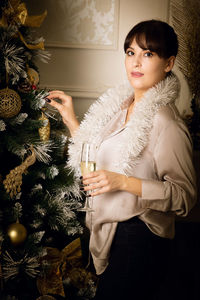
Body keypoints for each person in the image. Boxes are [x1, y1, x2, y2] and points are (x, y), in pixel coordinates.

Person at [45, 20, 196, 299]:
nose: (136, 62)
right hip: (109, 233)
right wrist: (71, 120)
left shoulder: (167, 123)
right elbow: (98, 164)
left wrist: (125, 182)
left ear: (168, 63)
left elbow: (185, 198)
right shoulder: (120, 108)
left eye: (148, 54)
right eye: (130, 52)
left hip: (139, 238)